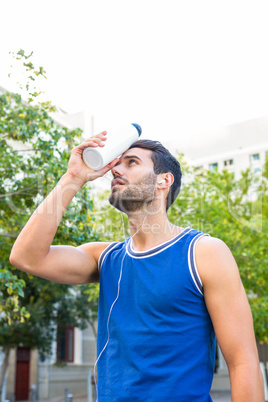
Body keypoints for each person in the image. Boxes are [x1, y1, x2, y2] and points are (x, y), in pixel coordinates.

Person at [10, 131, 264, 401]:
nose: (116, 169)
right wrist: (73, 177)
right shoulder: (105, 257)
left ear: (164, 180)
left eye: (131, 162)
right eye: (116, 163)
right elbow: (26, 257)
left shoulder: (203, 252)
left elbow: (242, 363)